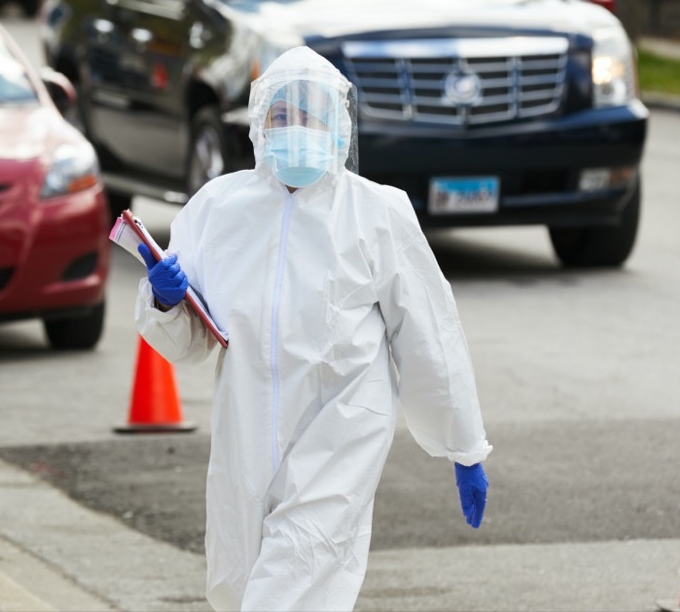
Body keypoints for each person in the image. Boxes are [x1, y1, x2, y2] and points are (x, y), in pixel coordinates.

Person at [134, 46, 492, 612]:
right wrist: (164, 298)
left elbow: (427, 331)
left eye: (311, 114)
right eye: (282, 115)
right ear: (259, 125)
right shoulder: (219, 211)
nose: (295, 128)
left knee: (294, 574)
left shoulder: (377, 212)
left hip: (343, 425)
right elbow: (188, 342)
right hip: (245, 426)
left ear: (338, 125)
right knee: (239, 579)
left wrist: (463, 444)